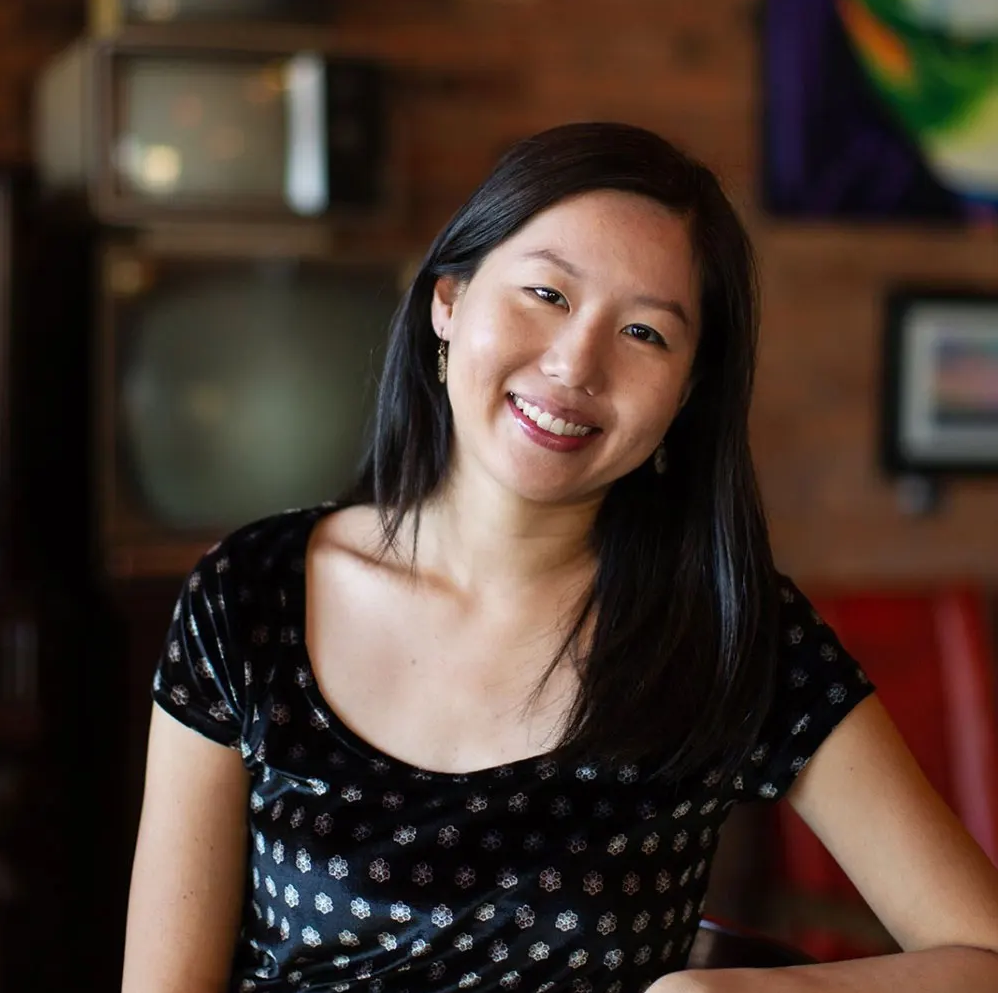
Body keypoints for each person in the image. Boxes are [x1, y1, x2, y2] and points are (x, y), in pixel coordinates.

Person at [121, 122, 998, 993]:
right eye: (547, 293)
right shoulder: (250, 595)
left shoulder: (729, 627)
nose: (577, 363)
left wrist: (743, 991)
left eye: (646, 334)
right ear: (449, 299)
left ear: (687, 395)